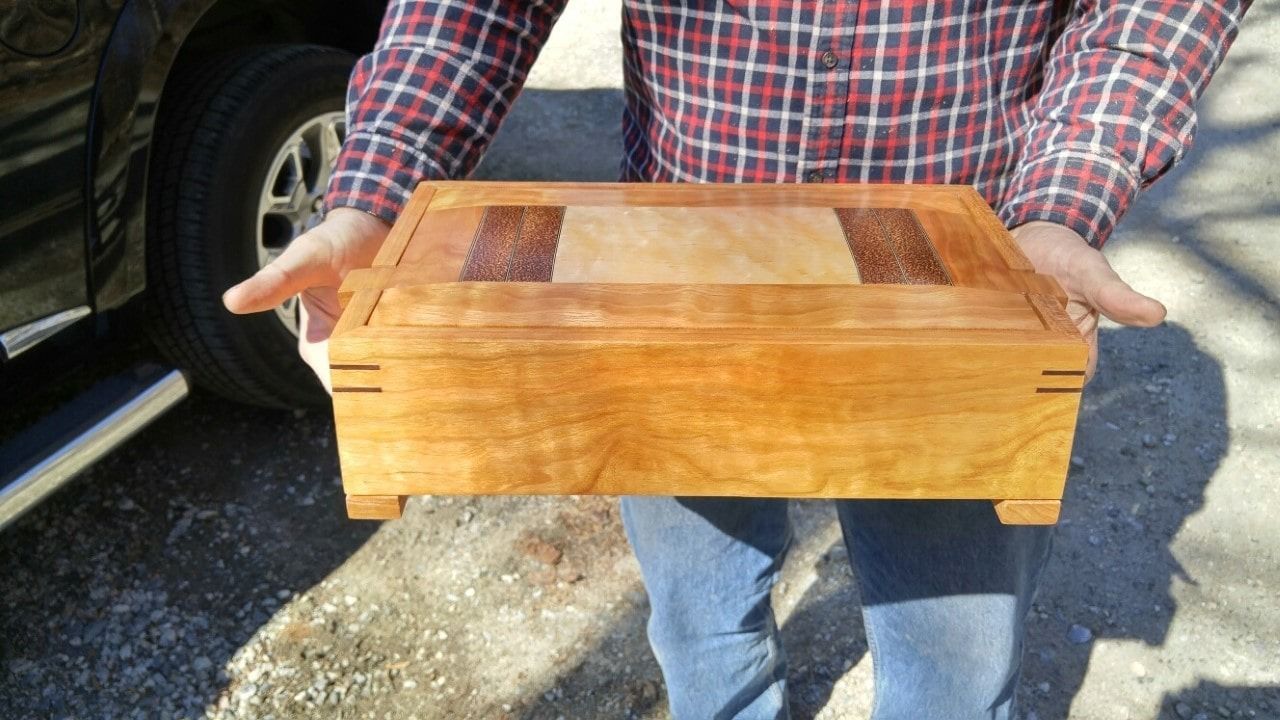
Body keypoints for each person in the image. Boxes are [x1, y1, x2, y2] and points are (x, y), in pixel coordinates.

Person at [224, 1, 1248, 717]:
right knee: (703, 632)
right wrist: (377, 182)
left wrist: (1061, 203)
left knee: (952, 666)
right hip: (666, 306)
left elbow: (1144, 12)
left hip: (958, 304)